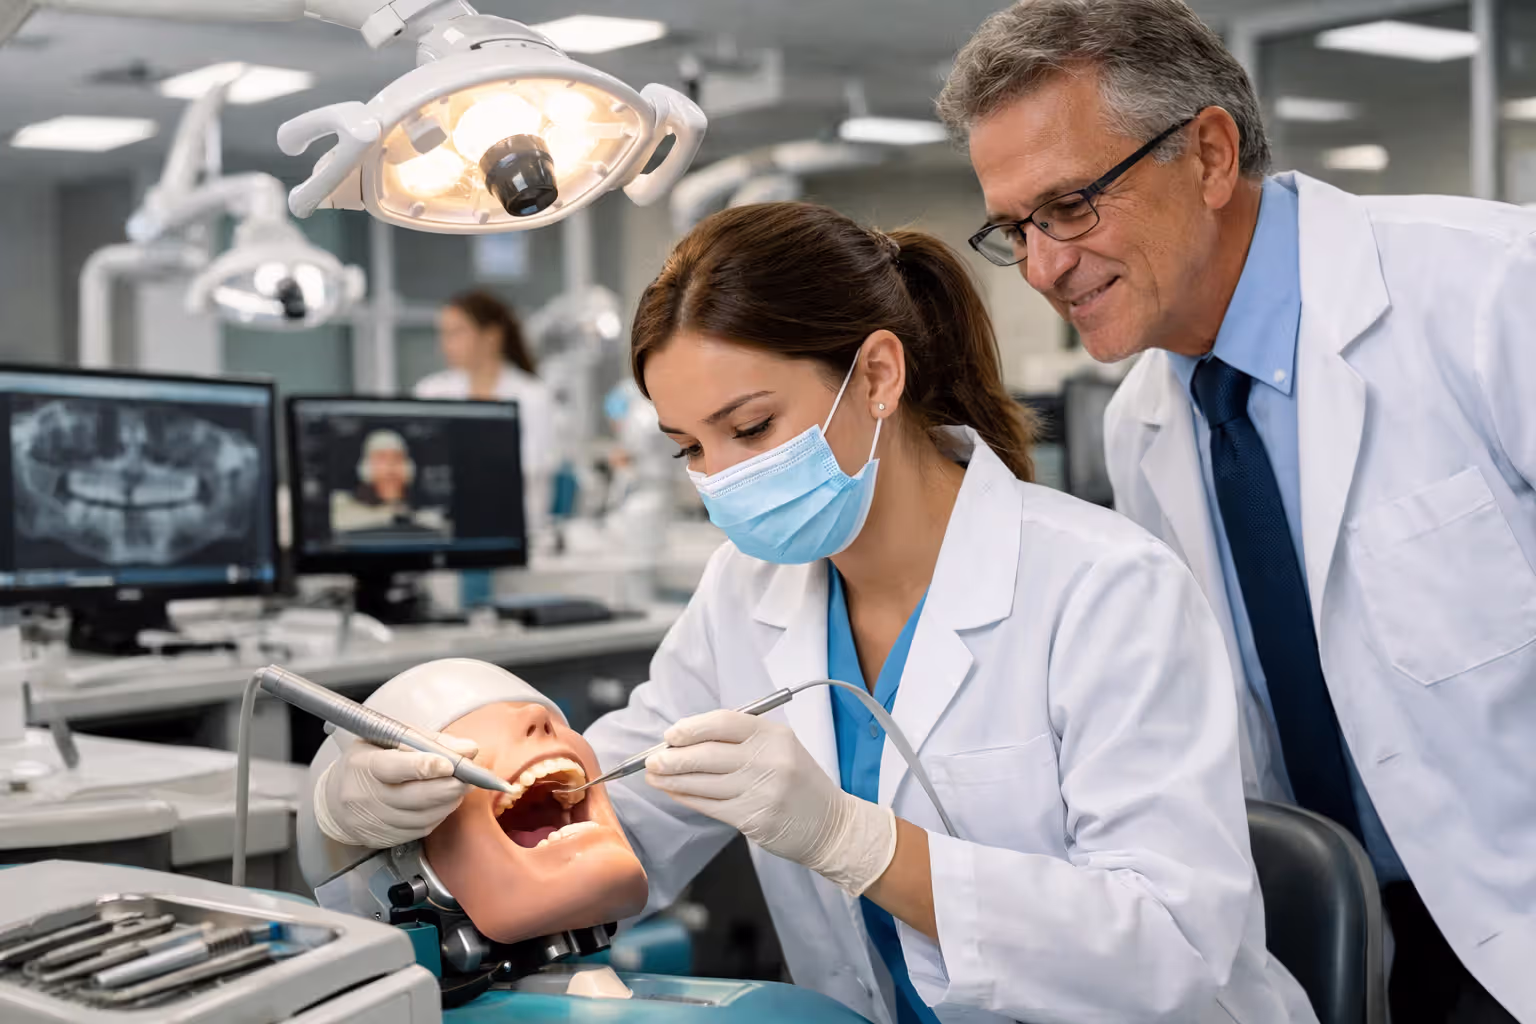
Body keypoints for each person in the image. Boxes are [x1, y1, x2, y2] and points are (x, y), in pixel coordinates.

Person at [310, 201, 1316, 1024]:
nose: (723, 478)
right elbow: (622, 841)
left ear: (877, 374)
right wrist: (372, 823)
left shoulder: (1105, 588)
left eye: (751, 425)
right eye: (689, 447)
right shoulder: (745, 595)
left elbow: (1168, 951)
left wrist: (858, 842)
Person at [937, 2, 1535, 1022]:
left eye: (1072, 205)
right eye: (1015, 229)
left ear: (1209, 154)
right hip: (1358, 950)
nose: (1043, 268)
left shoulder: (1494, 294)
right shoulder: (1147, 424)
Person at [414, 289, 557, 529]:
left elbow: (532, 472)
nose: (445, 344)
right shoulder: (431, 391)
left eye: (456, 332)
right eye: (443, 334)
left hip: (517, 529)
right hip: (443, 528)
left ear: (492, 336)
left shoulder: (532, 396)